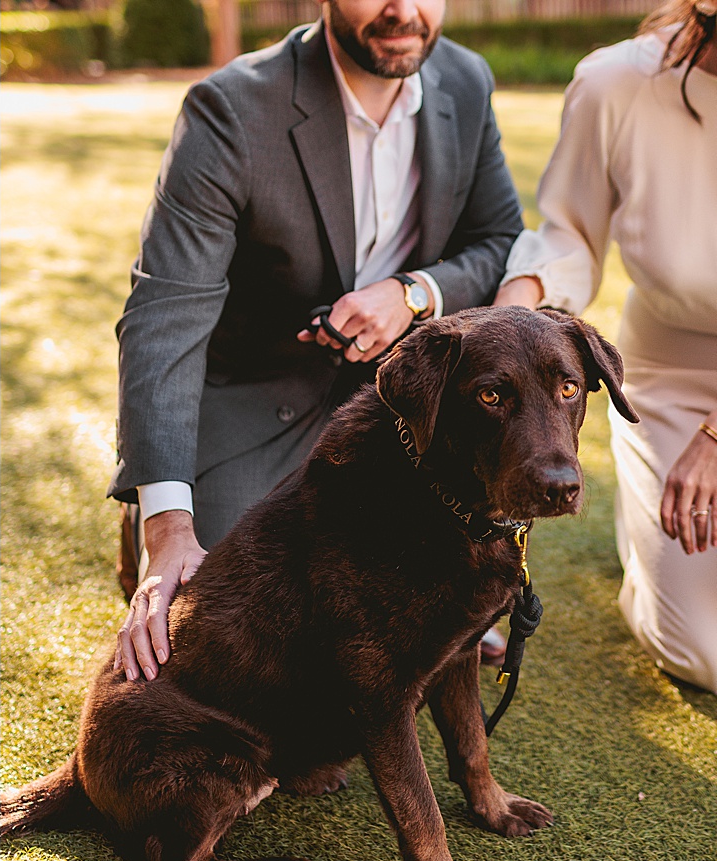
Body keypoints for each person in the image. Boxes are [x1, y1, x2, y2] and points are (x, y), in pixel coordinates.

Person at [110, 0, 525, 682]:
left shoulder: (466, 81)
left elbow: (497, 241)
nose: (402, 10)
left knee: (418, 614)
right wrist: (167, 530)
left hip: (399, 407)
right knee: (224, 630)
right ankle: (153, 521)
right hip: (255, 397)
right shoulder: (230, 110)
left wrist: (414, 293)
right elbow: (165, 315)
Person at [495, 0, 717, 692]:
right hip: (673, 373)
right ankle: (646, 541)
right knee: (703, 649)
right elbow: (570, 236)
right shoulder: (615, 83)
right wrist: (507, 318)